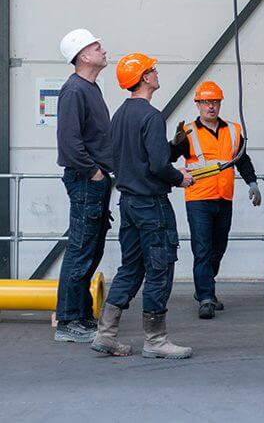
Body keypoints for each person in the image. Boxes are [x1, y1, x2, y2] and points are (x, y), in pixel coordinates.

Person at [91, 53, 195, 358]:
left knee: (131, 267)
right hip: (152, 205)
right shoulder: (151, 116)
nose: (157, 73)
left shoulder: (120, 115)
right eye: (153, 70)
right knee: (160, 268)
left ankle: (106, 333)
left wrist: (173, 147)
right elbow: (158, 166)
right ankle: (155, 340)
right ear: (145, 78)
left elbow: (135, 157)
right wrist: (180, 179)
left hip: (129, 203)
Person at [169, 81, 260, 319]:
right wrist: (174, 144)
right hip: (198, 198)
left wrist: (253, 182)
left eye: (215, 102)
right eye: (206, 102)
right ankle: (206, 297)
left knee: (218, 249)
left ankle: (205, 289)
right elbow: (167, 158)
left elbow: (242, 159)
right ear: (198, 104)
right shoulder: (187, 132)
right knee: (202, 249)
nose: (211, 107)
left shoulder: (232, 130)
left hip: (224, 197)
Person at [55, 29, 113, 343]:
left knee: (91, 249)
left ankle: (82, 315)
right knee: (80, 249)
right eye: (96, 46)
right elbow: (69, 143)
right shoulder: (75, 90)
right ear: (83, 56)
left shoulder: (91, 88)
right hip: (86, 180)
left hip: (95, 180)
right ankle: (67, 321)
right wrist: (94, 173)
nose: (102, 50)